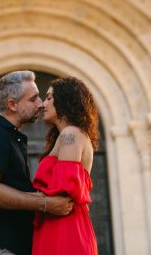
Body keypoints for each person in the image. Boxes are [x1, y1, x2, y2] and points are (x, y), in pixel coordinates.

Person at [0, 70, 74, 255]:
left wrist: (35, 197)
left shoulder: (10, 136)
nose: (40, 104)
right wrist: (46, 203)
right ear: (12, 104)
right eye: (33, 99)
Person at [32, 76, 99, 255]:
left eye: (49, 98)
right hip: (60, 226)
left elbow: (61, 194)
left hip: (65, 229)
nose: (42, 104)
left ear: (65, 100)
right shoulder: (68, 135)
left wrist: (0, 198)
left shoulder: (71, 134)